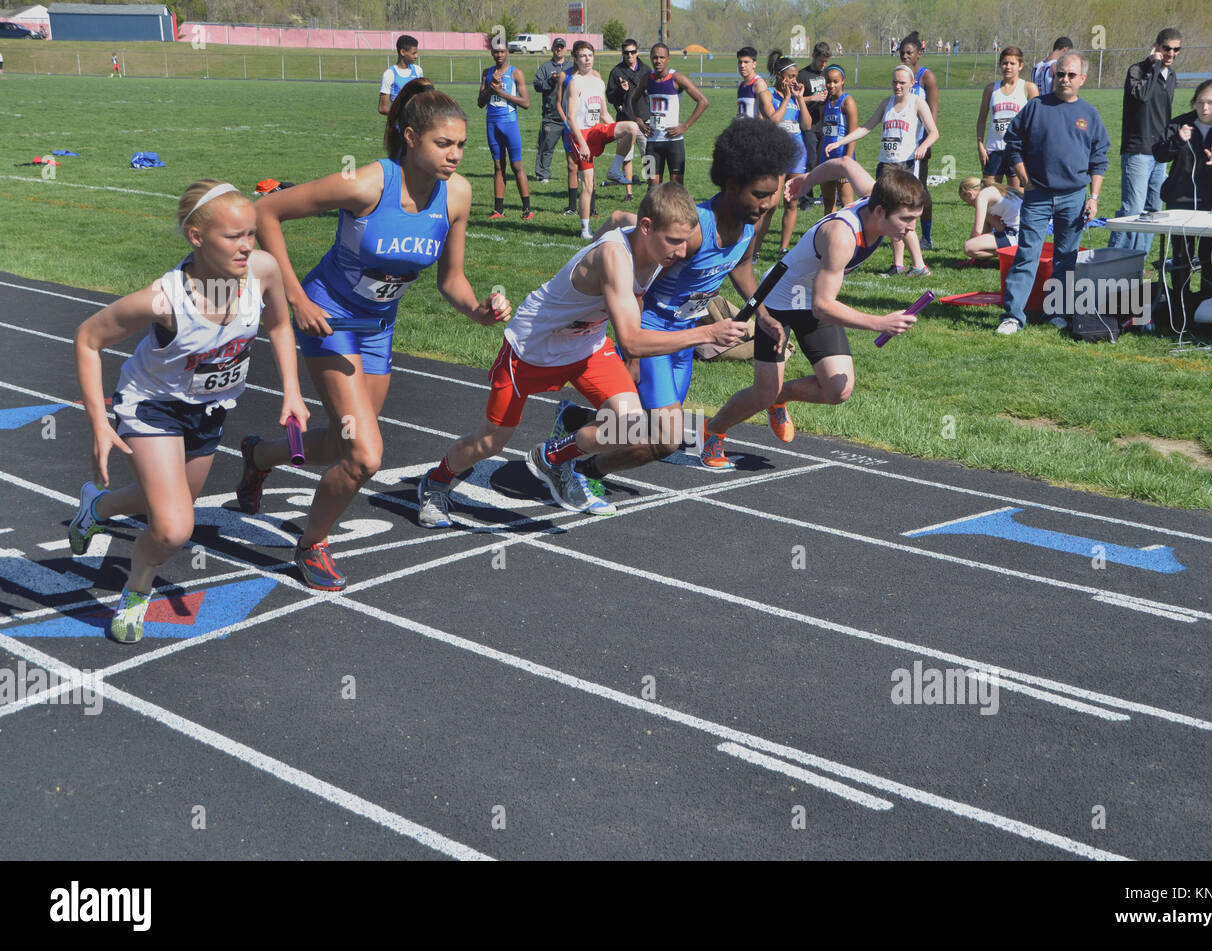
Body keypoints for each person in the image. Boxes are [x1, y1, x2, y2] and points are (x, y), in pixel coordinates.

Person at [239, 81, 511, 590]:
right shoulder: (366, 183)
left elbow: (451, 280)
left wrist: (479, 311)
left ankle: (260, 455)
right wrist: (295, 298)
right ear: (410, 138)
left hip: (378, 330)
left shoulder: (458, 195)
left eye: (460, 145)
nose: (454, 155)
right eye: (443, 144)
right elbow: (265, 212)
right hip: (331, 320)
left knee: (346, 445)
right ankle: (311, 544)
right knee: (366, 455)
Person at [415, 184, 748, 525]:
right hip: (534, 346)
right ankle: (435, 483)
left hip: (586, 344)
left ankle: (554, 459)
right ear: (647, 227)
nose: (681, 252)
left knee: (630, 425)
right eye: (674, 242)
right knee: (490, 442)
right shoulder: (615, 257)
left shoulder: (649, 235)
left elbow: (619, 216)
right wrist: (708, 333)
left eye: (685, 241)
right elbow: (631, 341)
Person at [69, 181, 308, 643]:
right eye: (233, 236)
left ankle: (96, 507)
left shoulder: (263, 270)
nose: (246, 246)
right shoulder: (163, 301)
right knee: (175, 527)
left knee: (169, 504)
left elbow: (280, 323)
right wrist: (99, 421)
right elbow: (87, 338)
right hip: (153, 407)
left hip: (208, 409)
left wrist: (292, 392)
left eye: (251, 234)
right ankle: (136, 593)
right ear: (196, 237)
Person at [564, 118, 798, 480]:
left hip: (685, 337)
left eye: (772, 196)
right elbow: (636, 275)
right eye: (760, 195)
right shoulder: (693, 232)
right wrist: (634, 353)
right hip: (652, 331)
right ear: (732, 184)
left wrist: (765, 316)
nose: (767, 204)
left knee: (642, 423)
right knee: (667, 438)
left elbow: (743, 266)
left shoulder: (750, 224)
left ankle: (573, 422)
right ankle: (585, 471)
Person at [700, 162, 923, 466]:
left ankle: (782, 396)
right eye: (907, 220)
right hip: (778, 303)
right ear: (881, 211)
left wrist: (807, 179)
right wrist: (880, 323)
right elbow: (824, 306)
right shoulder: (842, 236)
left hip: (812, 299)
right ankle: (714, 430)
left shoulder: (878, 195)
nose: (911, 228)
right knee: (762, 392)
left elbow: (845, 163)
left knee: (838, 389)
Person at [998, 52, 1110, 334]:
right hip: (1037, 195)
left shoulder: (1090, 114)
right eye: (1060, 74)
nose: (1064, 79)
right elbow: (1012, 142)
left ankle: (1057, 312)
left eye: (1071, 75)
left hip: (1074, 197)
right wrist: (1023, 176)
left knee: (1066, 257)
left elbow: (1099, 158)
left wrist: (1093, 198)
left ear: (1082, 79)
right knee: (1027, 254)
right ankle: (1013, 316)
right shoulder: (1036, 107)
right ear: (1053, 75)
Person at [831, 64, 937, 277]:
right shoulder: (886, 103)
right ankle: (898, 265)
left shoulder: (917, 103)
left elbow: (934, 132)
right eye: (895, 82)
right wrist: (841, 142)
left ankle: (919, 265)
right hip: (885, 165)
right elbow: (866, 127)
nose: (897, 86)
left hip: (906, 164)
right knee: (890, 216)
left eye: (902, 82)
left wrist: (924, 146)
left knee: (904, 217)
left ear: (912, 84)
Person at [1152, 79, 1212, 298]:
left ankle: (1209, 301)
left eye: (1211, 103)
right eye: (1199, 102)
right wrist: (1177, 141)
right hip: (1180, 200)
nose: (1204, 108)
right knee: (1182, 255)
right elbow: (1159, 154)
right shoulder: (1180, 124)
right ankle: (1180, 303)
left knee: (1209, 253)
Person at [1108, 28, 1181, 257]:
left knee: (1153, 212)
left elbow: (1164, 113)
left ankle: (1138, 262)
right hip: (1138, 150)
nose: (1171, 53)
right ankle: (1113, 261)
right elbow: (1142, 96)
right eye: (1167, 48)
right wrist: (1154, 66)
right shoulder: (1137, 70)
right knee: (1133, 210)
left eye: (1176, 49)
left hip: (1160, 152)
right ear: (1157, 47)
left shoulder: (1172, 77)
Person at [566, 40, 639, 240]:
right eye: (582, 55)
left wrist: (617, 131)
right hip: (581, 135)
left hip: (597, 129)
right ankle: (585, 229)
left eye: (590, 55)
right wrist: (581, 143)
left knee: (632, 127)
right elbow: (571, 117)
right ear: (576, 59)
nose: (587, 59)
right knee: (588, 184)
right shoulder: (574, 82)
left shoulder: (598, 82)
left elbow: (605, 114)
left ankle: (615, 168)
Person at [628, 43, 710, 187]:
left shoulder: (676, 78)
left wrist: (685, 126)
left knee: (676, 186)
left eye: (661, 57)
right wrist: (639, 121)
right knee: (651, 185)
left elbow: (703, 101)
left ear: (668, 59)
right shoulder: (647, 78)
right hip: (652, 142)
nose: (658, 61)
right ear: (650, 58)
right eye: (655, 57)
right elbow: (634, 100)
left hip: (674, 141)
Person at [755, 52, 811, 257]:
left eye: (795, 76)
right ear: (779, 76)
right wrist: (787, 98)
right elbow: (774, 120)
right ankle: (755, 248)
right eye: (790, 77)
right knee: (771, 204)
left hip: (797, 153)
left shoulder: (796, 96)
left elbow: (806, 124)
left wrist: (800, 99)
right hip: (777, 154)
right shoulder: (768, 94)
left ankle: (784, 248)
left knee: (792, 202)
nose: (794, 80)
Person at [478, 39, 532, 220]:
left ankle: (527, 209)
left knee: (517, 165)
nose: (499, 55)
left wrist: (503, 94)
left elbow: (526, 103)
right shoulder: (487, 73)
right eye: (495, 52)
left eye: (502, 51)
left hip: (509, 123)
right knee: (498, 167)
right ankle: (498, 210)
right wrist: (490, 90)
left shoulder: (516, 73)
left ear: (507, 51)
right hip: (492, 123)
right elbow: (480, 103)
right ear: (492, 53)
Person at [976, 47, 1038, 189]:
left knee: (1017, 197)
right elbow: (981, 120)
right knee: (989, 194)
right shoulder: (991, 89)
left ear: (1020, 66)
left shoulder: (1029, 88)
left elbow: (1037, 122)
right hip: (994, 150)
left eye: (1012, 63)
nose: (1008, 67)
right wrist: (980, 145)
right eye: (1004, 63)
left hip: (1017, 150)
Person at [899, 33, 939, 249]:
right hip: (900, 142)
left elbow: (933, 112)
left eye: (909, 52)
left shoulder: (927, 77)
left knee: (919, 189)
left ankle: (926, 236)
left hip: (919, 143)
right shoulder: (899, 76)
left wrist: (927, 143)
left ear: (919, 54)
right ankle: (901, 232)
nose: (905, 56)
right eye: (902, 52)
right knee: (899, 188)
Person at [606, 38, 651, 187]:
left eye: (632, 52)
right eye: (626, 53)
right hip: (625, 121)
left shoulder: (646, 70)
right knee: (626, 158)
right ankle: (629, 192)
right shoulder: (616, 72)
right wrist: (620, 89)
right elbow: (610, 97)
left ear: (637, 52)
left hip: (645, 121)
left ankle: (652, 187)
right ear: (623, 54)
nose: (629, 55)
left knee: (649, 157)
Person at [819, 65, 858, 213]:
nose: (831, 85)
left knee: (847, 204)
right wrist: (819, 158)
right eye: (828, 82)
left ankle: (850, 235)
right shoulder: (825, 104)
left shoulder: (847, 102)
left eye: (835, 81)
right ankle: (829, 234)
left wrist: (846, 163)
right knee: (828, 204)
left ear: (842, 81)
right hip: (826, 158)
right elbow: (824, 133)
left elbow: (853, 136)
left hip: (843, 157)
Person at [798, 41, 833, 203]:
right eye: (821, 61)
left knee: (826, 160)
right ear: (813, 56)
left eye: (825, 61)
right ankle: (806, 197)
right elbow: (794, 99)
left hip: (826, 125)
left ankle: (831, 195)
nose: (823, 65)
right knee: (810, 161)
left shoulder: (828, 74)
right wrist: (813, 98)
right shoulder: (802, 75)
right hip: (809, 125)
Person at [957, 176, 1021, 260]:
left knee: (968, 247)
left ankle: (1013, 253)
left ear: (970, 193)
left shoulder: (982, 196)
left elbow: (977, 231)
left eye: (966, 201)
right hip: (1025, 232)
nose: (968, 204)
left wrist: (972, 250)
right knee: (987, 217)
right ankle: (983, 260)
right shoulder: (992, 189)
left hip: (1017, 235)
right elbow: (999, 226)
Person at [533, 38, 569, 183]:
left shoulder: (572, 66)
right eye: (557, 47)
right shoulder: (545, 67)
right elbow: (537, 85)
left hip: (570, 115)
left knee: (574, 149)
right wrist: (550, 80)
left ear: (565, 49)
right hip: (551, 115)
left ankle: (578, 173)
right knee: (546, 146)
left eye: (561, 47)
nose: (559, 49)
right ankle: (543, 174)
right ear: (552, 48)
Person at [379, 35, 423, 116]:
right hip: (399, 127)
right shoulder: (389, 74)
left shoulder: (418, 71)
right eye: (413, 53)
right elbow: (382, 108)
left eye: (417, 53)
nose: (416, 56)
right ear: (402, 52)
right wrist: (402, 115)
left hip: (417, 125)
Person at [1030, 37, 1070, 102]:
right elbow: (1056, 93)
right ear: (1065, 49)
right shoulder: (1056, 66)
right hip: (1050, 108)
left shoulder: (1036, 67)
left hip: (1037, 107)